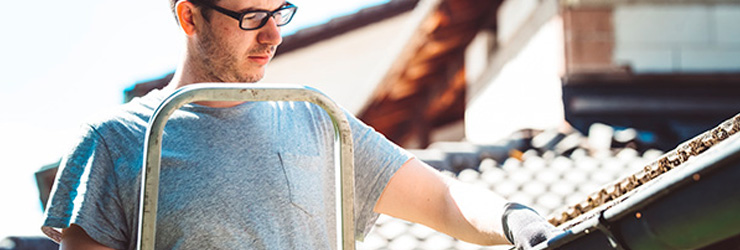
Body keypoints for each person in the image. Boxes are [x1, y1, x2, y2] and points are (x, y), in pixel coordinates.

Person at [41, 0, 561, 249]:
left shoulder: (318, 123)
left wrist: (519, 220)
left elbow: (442, 200)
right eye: (250, 17)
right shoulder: (117, 142)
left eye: (279, 11)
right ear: (189, 18)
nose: (272, 36)